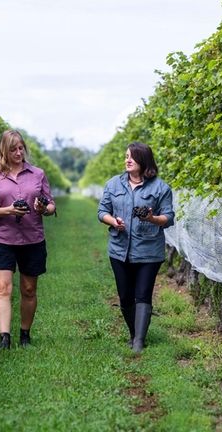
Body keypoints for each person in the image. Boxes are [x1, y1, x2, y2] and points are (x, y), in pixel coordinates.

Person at [0, 129, 57, 350]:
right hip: (2, 239)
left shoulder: (37, 174)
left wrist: (43, 207)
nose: (18, 152)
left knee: (29, 289)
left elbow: (51, 205)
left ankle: (25, 334)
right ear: (4, 150)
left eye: (21, 148)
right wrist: (9, 210)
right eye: (13, 149)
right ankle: (4, 338)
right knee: (3, 288)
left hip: (32, 239)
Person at [97, 142, 175, 353]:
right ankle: (134, 333)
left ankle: (139, 342)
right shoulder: (114, 184)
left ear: (144, 160)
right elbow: (102, 211)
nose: (127, 160)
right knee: (125, 296)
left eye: (132, 157)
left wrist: (151, 218)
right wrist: (113, 222)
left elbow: (169, 218)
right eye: (126, 156)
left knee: (143, 294)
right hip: (119, 250)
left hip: (148, 251)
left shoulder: (161, 188)